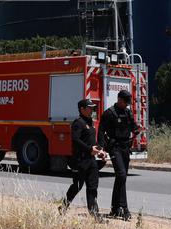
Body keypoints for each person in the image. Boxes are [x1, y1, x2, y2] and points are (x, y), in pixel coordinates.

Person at [60, 98, 106, 219]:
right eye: (89, 108)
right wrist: (89, 149)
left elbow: (92, 141)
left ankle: (94, 214)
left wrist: (100, 151)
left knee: (92, 187)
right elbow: (75, 140)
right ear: (82, 109)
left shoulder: (90, 122)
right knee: (77, 186)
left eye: (92, 108)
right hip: (80, 160)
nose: (92, 110)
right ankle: (64, 206)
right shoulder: (78, 123)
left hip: (91, 160)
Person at [98, 89, 140, 221]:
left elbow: (133, 127)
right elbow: (101, 131)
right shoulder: (109, 113)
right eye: (125, 102)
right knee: (121, 175)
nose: (127, 105)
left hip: (125, 147)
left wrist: (137, 129)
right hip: (114, 147)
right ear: (119, 100)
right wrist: (101, 148)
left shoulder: (127, 112)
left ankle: (115, 208)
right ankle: (124, 209)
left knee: (121, 177)